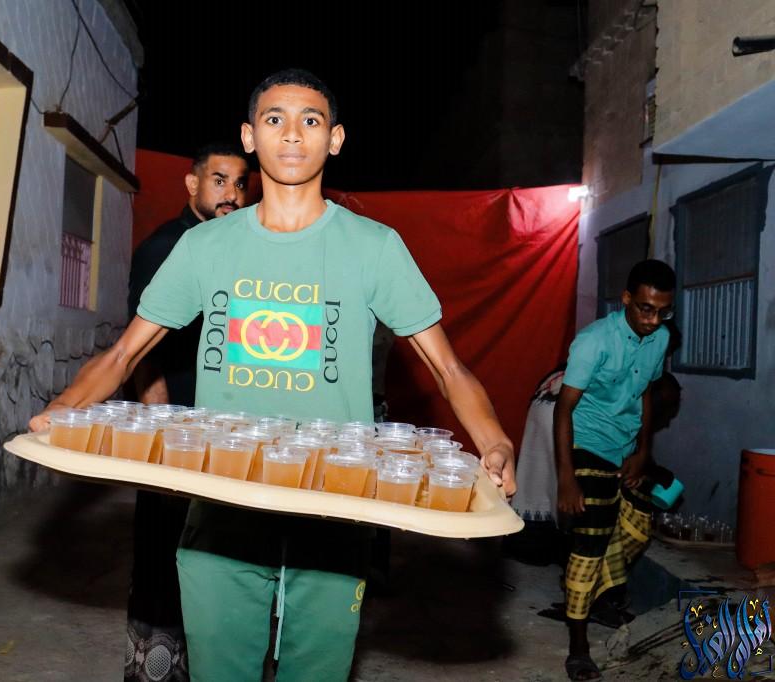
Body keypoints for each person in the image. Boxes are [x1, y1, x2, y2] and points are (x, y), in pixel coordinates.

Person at [30, 68, 516, 682]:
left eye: (311, 120)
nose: (292, 134)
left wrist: (494, 440)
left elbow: (447, 367)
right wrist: (63, 408)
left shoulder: (375, 248)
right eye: (274, 119)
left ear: (335, 139)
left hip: (336, 509)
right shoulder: (205, 247)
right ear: (249, 136)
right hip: (222, 506)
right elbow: (124, 354)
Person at [124, 143, 249, 682]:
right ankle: (153, 669)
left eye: (240, 183)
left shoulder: (235, 249)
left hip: (221, 427)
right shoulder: (165, 247)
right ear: (192, 185)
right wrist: (159, 422)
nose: (231, 194)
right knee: (162, 547)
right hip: (175, 424)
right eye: (219, 181)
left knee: (212, 552)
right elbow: (139, 346)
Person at [554, 259, 675, 681]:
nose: (653, 320)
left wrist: (643, 450)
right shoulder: (593, 342)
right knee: (591, 540)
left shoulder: (660, 338)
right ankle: (578, 646)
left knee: (638, 529)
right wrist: (567, 477)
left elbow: (644, 394)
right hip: (586, 443)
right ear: (626, 299)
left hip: (625, 446)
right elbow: (563, 409)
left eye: (662, 312)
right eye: (645, 308)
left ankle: (592, 594)